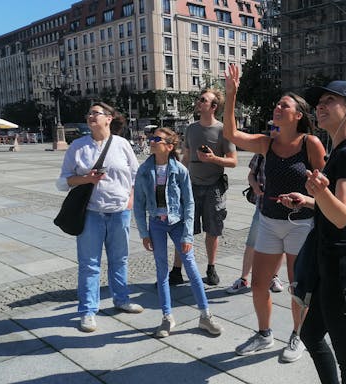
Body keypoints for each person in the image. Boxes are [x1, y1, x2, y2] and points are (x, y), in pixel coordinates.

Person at [223, 64, 326, 363]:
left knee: (297, 286)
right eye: (277, 104)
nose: (278, 108)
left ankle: (298, 336)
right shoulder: (266, 143)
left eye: (285, 105)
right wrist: (232, 94)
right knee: (258, 283)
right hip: (268, 221)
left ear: (298, 116)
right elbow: (231, 132)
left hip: (300, 225)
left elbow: (323, 189)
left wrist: (305, 199)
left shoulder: (311, 144)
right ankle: (264, 333)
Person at [281, 80, 346, 383]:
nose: (320, 106)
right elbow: (338, 207)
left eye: (329, 100)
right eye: (319, 101)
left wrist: (320, 195)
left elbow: (342, 216)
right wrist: (311, 200)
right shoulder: (341, 151)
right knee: (310, 333)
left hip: (343, 272)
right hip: (331, 267)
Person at [56, 102, 143, 333]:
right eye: (89, 113)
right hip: (91, 213)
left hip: (119, 212)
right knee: (89, 264)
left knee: (120, 258)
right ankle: (87, 311)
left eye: (96, 113)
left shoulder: (122, 144)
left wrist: (130, 200)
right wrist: (87, 179)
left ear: (109, 118)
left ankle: (121, 299)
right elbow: (63, 181)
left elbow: (136, 176)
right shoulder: (78, 146)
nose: (91, 116)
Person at [133, 128, 223, 338]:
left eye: (157, 139)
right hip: (156, 223)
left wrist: (187, 235)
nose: (152, 141)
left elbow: (189, 203)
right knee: (162, 271)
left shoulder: (180, 170)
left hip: (178, 223)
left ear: (169, 146)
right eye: (151, 138)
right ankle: (167, 317)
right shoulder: (144, 170)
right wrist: (144, 233)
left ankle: (205, 315)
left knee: (190, 267)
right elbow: (138, 204)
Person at [168, 88, 238, 287]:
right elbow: (186, 156)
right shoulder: (191, 129)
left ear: (213, 106)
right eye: (199, 99)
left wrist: (213, 158)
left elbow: (233, 161)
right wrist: (178, 180)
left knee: (212, 230)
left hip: (214, 187)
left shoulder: (223, 130)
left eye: (203, 100)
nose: (199, 102)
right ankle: (176, 271)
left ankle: (211, 268)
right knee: (183, 228)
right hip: (191, 186)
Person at [226, 151, 284, 295]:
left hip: (283, 207)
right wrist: (255, 185)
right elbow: (251, 174)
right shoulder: (262, 151)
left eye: (277, 128)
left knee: (280, 244)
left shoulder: (289, 151)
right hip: (262, 206)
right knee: (252, 242)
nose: (274, 131)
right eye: (273, 128)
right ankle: (244, 279)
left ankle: (273, 277)